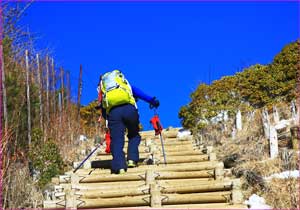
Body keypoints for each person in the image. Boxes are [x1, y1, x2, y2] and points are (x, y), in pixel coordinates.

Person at [97, 70, 159, 174]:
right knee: (134, 135)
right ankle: (132, 160)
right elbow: (139, 93)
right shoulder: (124, 85)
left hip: (114, 113)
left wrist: (108, 119)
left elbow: (103, 108)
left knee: (116, 140)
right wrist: (153, 101)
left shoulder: (104, 90)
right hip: (130, 110)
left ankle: (120, 166)